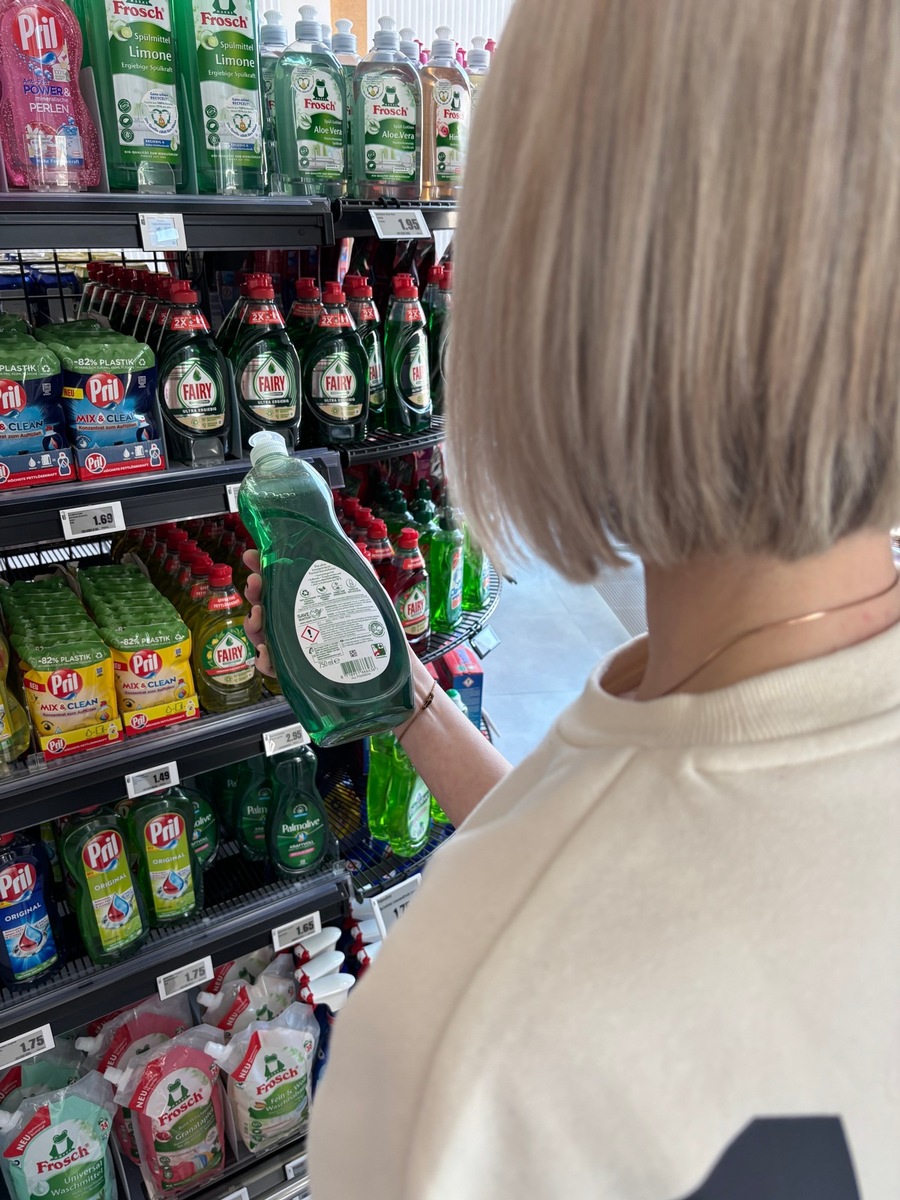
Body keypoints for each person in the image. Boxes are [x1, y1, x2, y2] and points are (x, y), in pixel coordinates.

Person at [244, 1, 900, 1195]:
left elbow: (609, 901)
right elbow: (685, 868)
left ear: (542, 295)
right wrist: (411, 706)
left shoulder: (457, 1050)